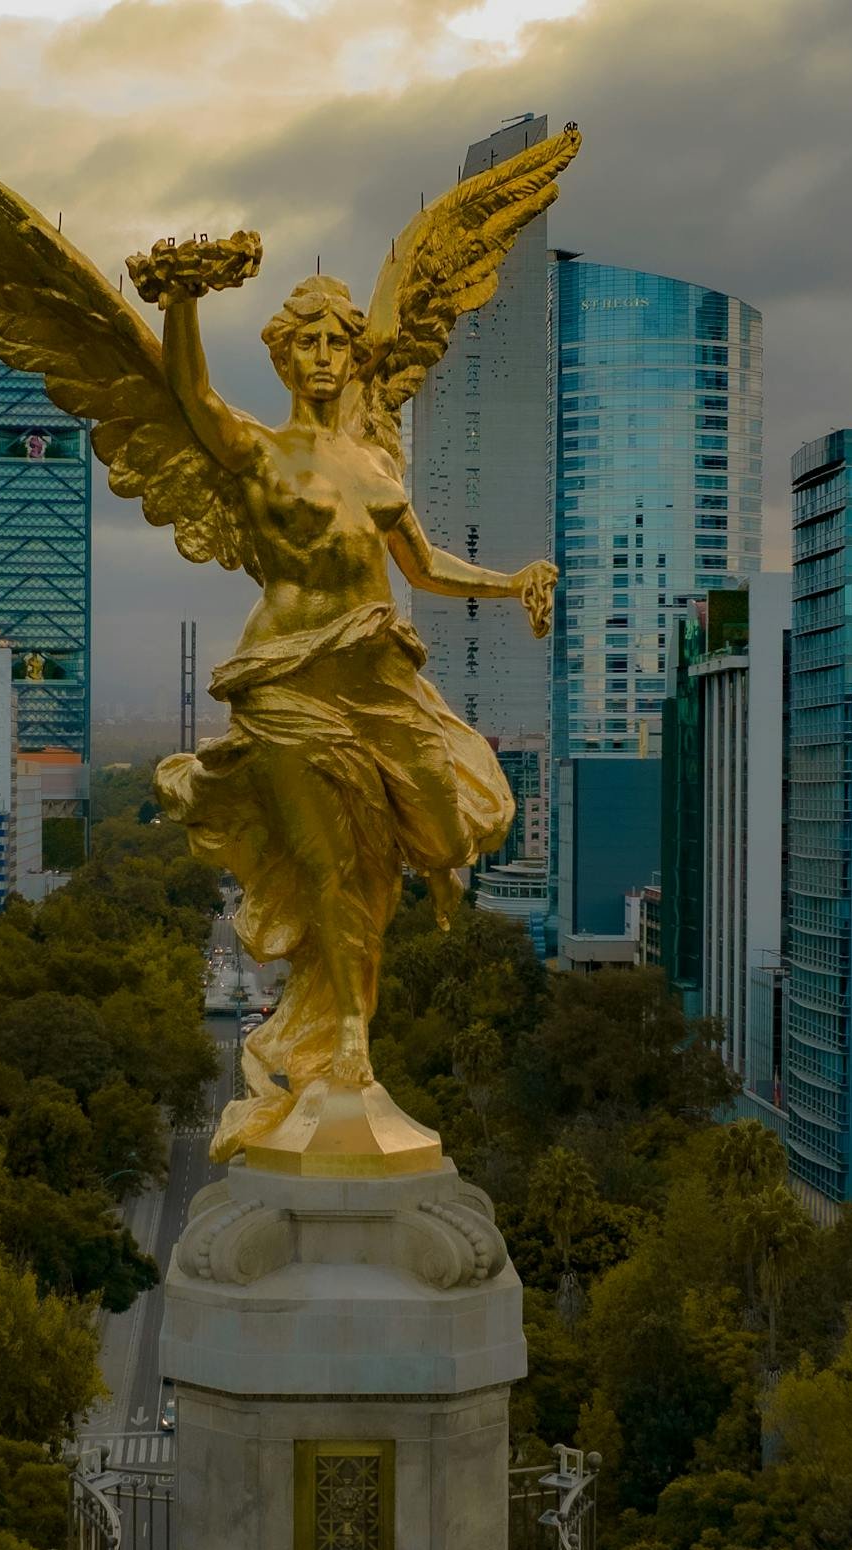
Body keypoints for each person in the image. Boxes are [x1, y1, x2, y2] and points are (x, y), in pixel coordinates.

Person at [153, 273, 556, 1156]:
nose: (327, 358)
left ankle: (430, 859)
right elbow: (190, 394)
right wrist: (180, 301)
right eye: (310, 342)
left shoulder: (377, 465)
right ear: (284, 354)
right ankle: (346, 1042)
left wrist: (510, 577)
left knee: (452, 830)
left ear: (355, 355)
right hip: (288, 684)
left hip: (377, 677)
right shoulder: (255, 451)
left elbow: (422, 567)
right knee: (340, 871)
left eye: (339, 342)